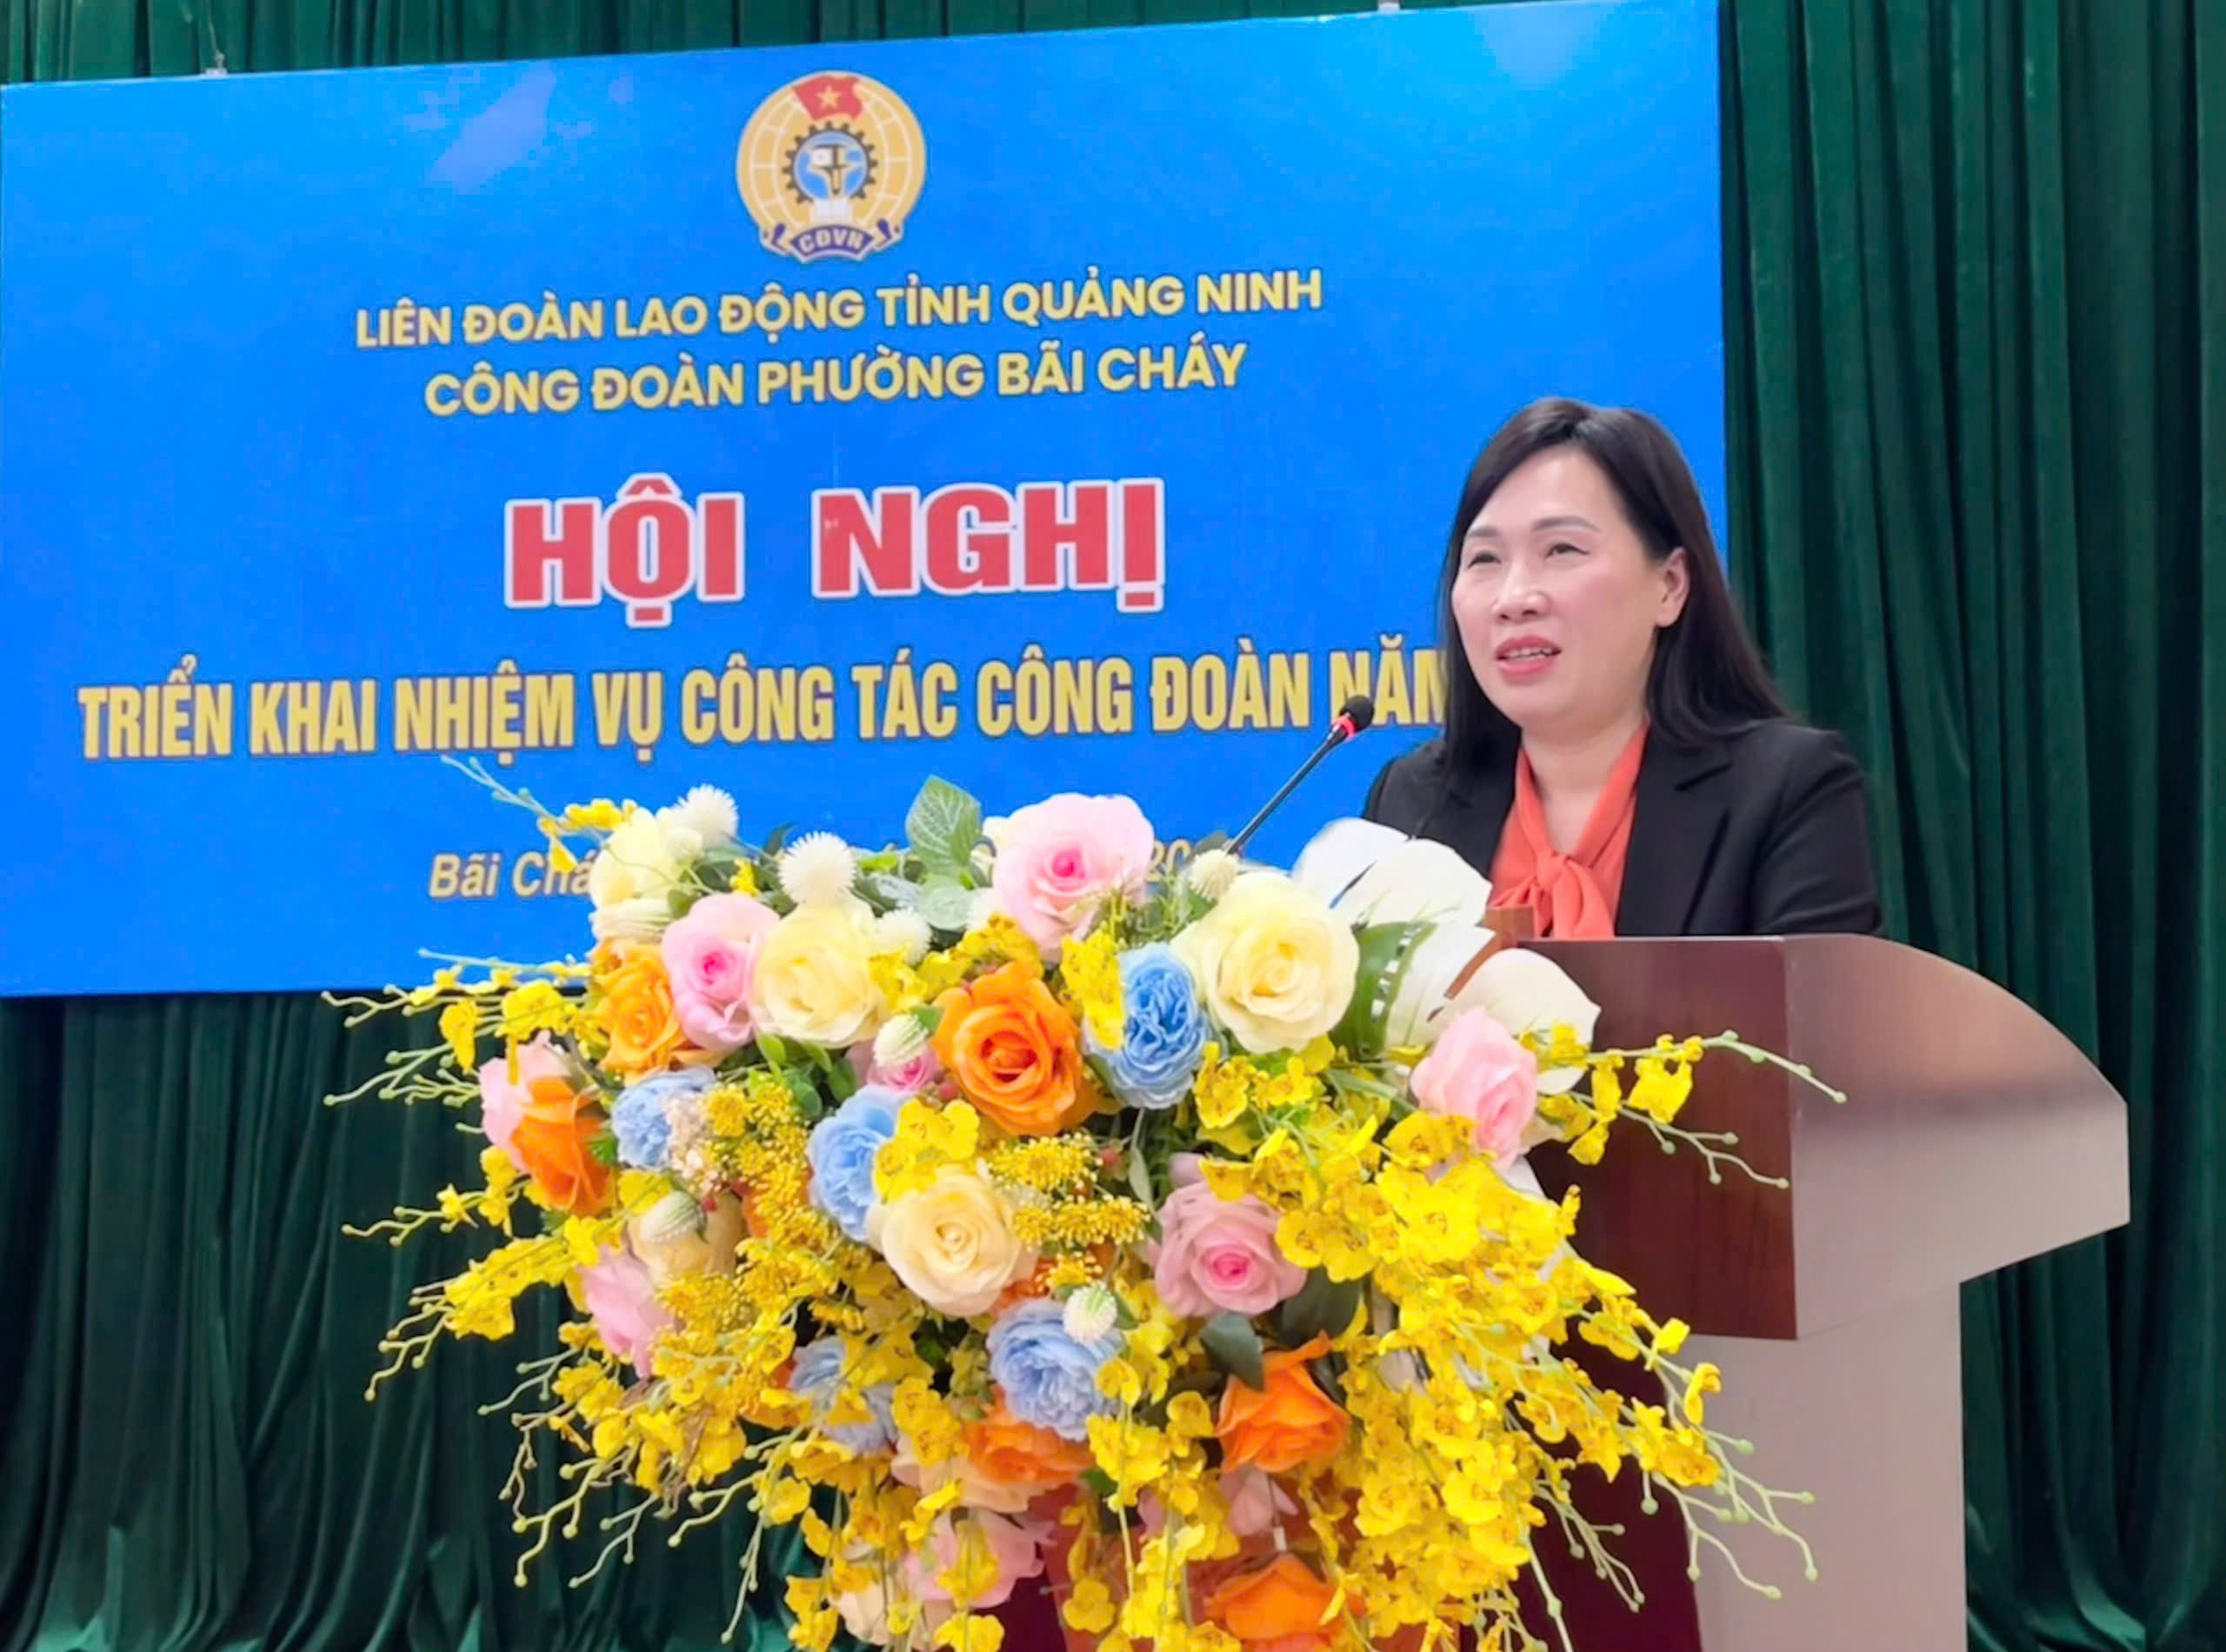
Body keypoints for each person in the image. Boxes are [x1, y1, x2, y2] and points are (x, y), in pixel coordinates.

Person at [1363, 396, 1882, 939]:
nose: (1514, 598)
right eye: (1485, 559)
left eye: (1562, 550)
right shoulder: (1412, 804)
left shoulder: (1785, 792)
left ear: (1670, 586)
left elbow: (1811, 997)